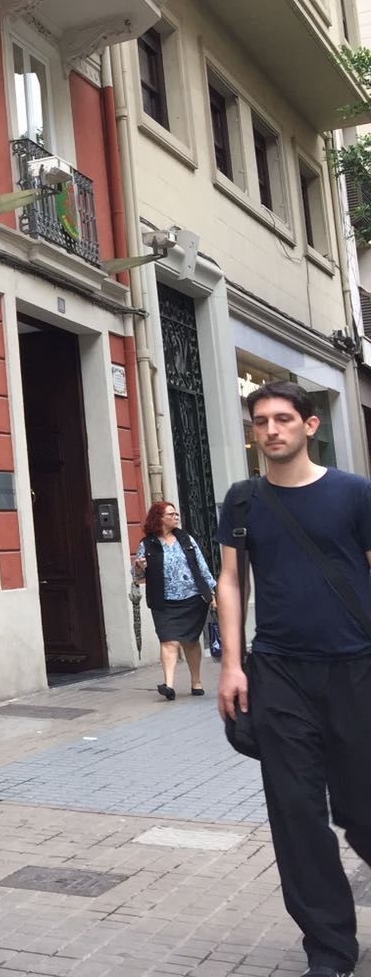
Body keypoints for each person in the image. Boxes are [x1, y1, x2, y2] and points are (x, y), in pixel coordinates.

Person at [215, 381, 371, 977]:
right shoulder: (243, 501)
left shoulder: (354, 494)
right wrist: (232, 664)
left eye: (283, 419)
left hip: (356, 667)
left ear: (310, 426)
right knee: (296, 812)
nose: (271, 429)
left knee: (362, 808)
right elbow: (231, 581)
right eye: (261, 421)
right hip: (277, 671)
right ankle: (330, 950)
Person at [132, 501, 217, 700]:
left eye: (177, 514)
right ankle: (168, 685)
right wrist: (139, 567)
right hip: (163, 601)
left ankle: (196, 681)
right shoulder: (147, 544)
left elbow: (201, 566)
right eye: (171, 514)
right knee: (168, 640)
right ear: (159, 518)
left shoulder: (186, 539)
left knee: (190, 641)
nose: (176, 517)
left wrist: (212, 594)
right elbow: (136, 576)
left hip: (192, 598)